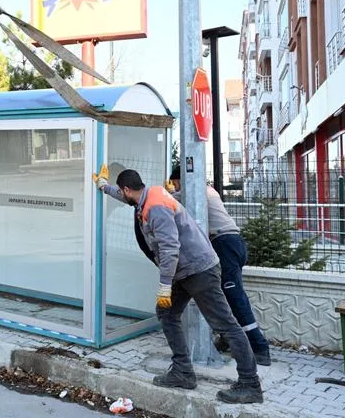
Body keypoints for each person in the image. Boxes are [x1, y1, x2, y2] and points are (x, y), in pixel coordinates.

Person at [95, 168, 263, 404]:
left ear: (127, 189)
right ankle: (183, 371)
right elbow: (125, 197)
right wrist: (103, 186)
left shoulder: (156, 208)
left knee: (225, 324)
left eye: (121, 191)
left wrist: (164, 286)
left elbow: (170, 248)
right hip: (185, 271)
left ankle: (250, 384)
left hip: (198, 270)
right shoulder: (149, 194)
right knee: (167, 313)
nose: (123, 196)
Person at [168, 166, 271, 366]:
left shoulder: (195, 192)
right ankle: (227, 340)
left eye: (176, 183)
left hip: (224, 243)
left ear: (181, 180)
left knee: (235, 297)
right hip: (233, 242)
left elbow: (169, 202)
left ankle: (260, 348)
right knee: (224, 296)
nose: (176, 187)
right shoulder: (209, 189)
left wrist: (168, 192)